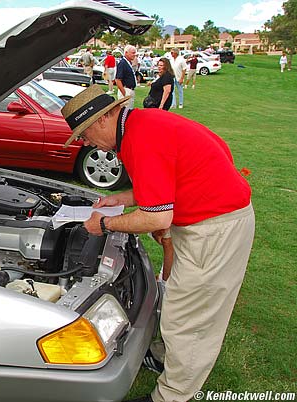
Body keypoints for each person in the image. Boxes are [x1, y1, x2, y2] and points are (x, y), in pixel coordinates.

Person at [61, 85, 255, 402]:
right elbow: (163, 182)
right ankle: (165, 358)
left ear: (101, 120)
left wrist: (105, 223)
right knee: (179, 298)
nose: (86, 143)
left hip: (215, 228)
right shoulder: (142, 125)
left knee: (189, 318)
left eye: (84, 135)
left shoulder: (141, 139)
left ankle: (172, 395)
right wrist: (117, 200)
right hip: (207, 221)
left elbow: (156, 219)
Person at [115, 44, 137, 109]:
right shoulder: (122, 63)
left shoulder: (128, 63)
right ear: (126, 53)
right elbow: (118, 80)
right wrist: (124, 93)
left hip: (130, 90)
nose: (134, 54)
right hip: (126, 90)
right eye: (133, 53)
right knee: (125, 112)